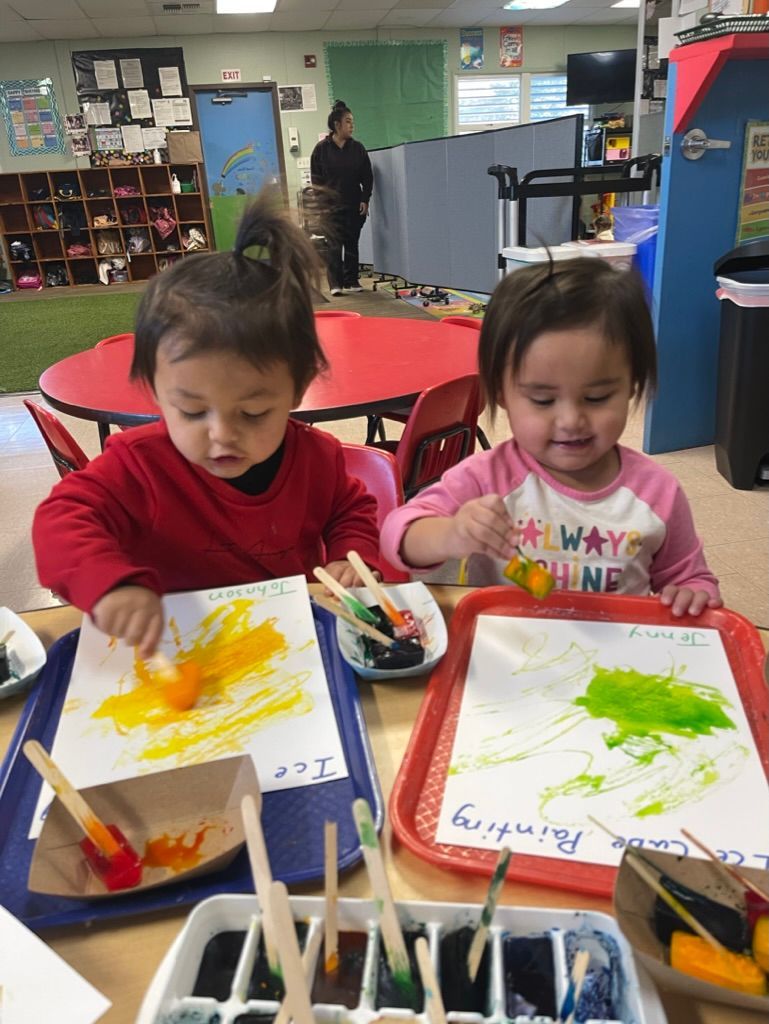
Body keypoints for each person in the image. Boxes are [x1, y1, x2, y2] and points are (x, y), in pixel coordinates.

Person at [33, 192, 382, 658]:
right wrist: (110, 584)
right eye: (193, 412)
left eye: (253, 413)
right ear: (157, 394)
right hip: (175, 652)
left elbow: (351, 512)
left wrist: (349, 556)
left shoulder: (318, 459)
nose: (221, 434)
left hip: (289, 645)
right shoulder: (139, 466)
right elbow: (60, 520)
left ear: (298, 391)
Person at [380, 258, 721, 617]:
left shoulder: (657, 493)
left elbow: (688, 577)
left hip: (612, 654)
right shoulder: (486, 478)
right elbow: (396, 537)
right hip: (507, 648)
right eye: (542, 400)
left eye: (597, 397)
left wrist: (692, 593)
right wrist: (451, 533)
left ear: (632, 385)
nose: (571, 420)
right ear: (500, 393)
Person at [310, 99, 372, 296]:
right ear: (337, 125)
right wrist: (320, 205)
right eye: (348, 121)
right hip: (330, 207)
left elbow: (367, 177)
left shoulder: (358, 149)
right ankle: (335, 284)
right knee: (334, 246)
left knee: (352, 243)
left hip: (353, 204)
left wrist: (365, 199)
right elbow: (316, 181)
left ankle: (352, 281)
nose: (352, 125)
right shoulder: (321, 149)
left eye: (352, 121)